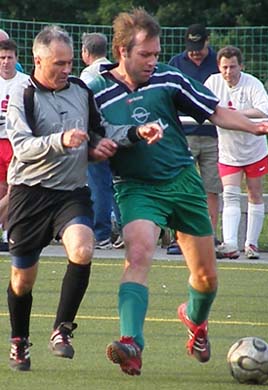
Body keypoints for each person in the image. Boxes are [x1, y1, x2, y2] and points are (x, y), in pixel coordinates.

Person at [88, 8, 268, 376]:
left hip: (183, 183)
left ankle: (194, 319)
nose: (152, 61)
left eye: (156, 54)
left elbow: (216, 112)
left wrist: (255, 127)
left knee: (206, 278)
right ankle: (131, 343)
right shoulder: (96, 91)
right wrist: (98, 147)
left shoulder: (169, 79)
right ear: (122, 51)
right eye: (145, 54)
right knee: (139, 253)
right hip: (136, 188)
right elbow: (90, 136)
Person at [6, 24, 162, 371]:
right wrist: (62, 140)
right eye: (58, 63)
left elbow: (101, 130)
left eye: (69, 62)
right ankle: (19, 340)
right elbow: (22, 147)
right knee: (22, 281)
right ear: (38, 59)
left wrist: (136, 132)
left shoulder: (79, 89)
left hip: (71, 193)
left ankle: (62, 330)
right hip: (29, 195)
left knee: (82, 248)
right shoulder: (22, 94)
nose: (66, 70)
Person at [205, 45, 268, 260]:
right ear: (219, 67)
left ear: (241, 66)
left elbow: (265, 110)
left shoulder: (252, 83)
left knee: (254, 193)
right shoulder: (213, 82)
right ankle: (231, 244)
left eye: (233, 67)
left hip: (254, 148)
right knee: (230, 195)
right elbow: (203, 106)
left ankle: (251, 244)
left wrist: (235, 115)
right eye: (224, 67)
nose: (228, 72)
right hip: (228, 150)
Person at [167, 24, 222, 255]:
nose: (195, 52)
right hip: (184, 136)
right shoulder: (176, 64)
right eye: (191, 48)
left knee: (211, 187)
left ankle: (209, 235)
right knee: (179, 185)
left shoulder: (219, 62)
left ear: (207, 41)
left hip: (212, 136)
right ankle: (179, 237)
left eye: (199, 47)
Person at [80, 32, 124, 249]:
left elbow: (84, 108)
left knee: (99, 185)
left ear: (85, 52)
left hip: (98, 138)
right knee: (119, 184)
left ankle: (102, 234)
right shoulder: (118, 70)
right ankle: (125, 229)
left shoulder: (88, 77)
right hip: (121, 135)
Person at [0, 39, 29, 251]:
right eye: (2, 58)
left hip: (16, 142)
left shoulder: (25, 82)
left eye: (10, 57)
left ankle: (9, 231)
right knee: (2, 188)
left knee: (16, 188)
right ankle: (4, 232)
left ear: (16, 59)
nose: (6, 62)